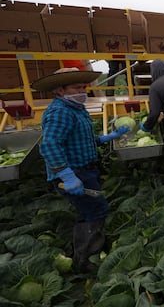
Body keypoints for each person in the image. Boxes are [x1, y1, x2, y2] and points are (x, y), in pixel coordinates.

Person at [32, 67, 130, 272]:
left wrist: (105, 139)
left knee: (87, 209)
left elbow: (81, 139)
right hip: (75, 174)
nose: (83, 91)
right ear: (60, 90)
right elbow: (50, 145)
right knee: (97, 209)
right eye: (77, 87)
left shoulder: (76, 108)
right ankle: (88, 260)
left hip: (85, 171)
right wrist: (67, 176)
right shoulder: (60, 112)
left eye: (84, 87)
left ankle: (81, 247)